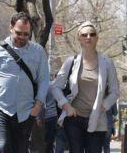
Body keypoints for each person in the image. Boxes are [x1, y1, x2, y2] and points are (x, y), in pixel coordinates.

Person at [0, 12, 50, 153]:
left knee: (20, 150)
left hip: (26, 111)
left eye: (26, 34)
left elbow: (44, 80)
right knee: (2, 146)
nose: (22, 37)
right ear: (11, 28)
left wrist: (37, 106)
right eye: (18, 33)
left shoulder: (38, 51)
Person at [51, 22, 120, 153]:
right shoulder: (71, 61)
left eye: (92, 34)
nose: (88, 37)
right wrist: (66, 105)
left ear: (97, 38)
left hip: (97, 118)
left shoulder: (107, 63)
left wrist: (104, 105)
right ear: (79, 38)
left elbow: (115, 91)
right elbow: (56, 87)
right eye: (84, 34)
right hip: (74, 119)